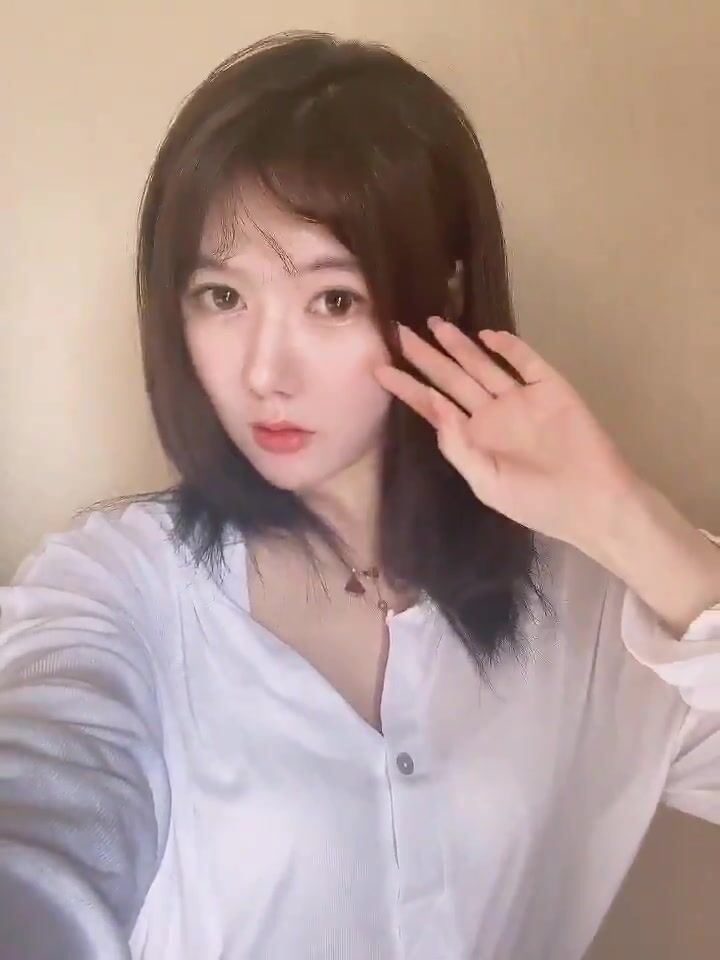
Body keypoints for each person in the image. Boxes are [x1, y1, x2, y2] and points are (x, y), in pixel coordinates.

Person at [1, 28, 719, 960]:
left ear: (442, 297)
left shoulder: (596, 606)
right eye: (222, 297)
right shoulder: (119, 585)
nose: (264, 372)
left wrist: (622, 517)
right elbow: (46, 795)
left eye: (333, 300)